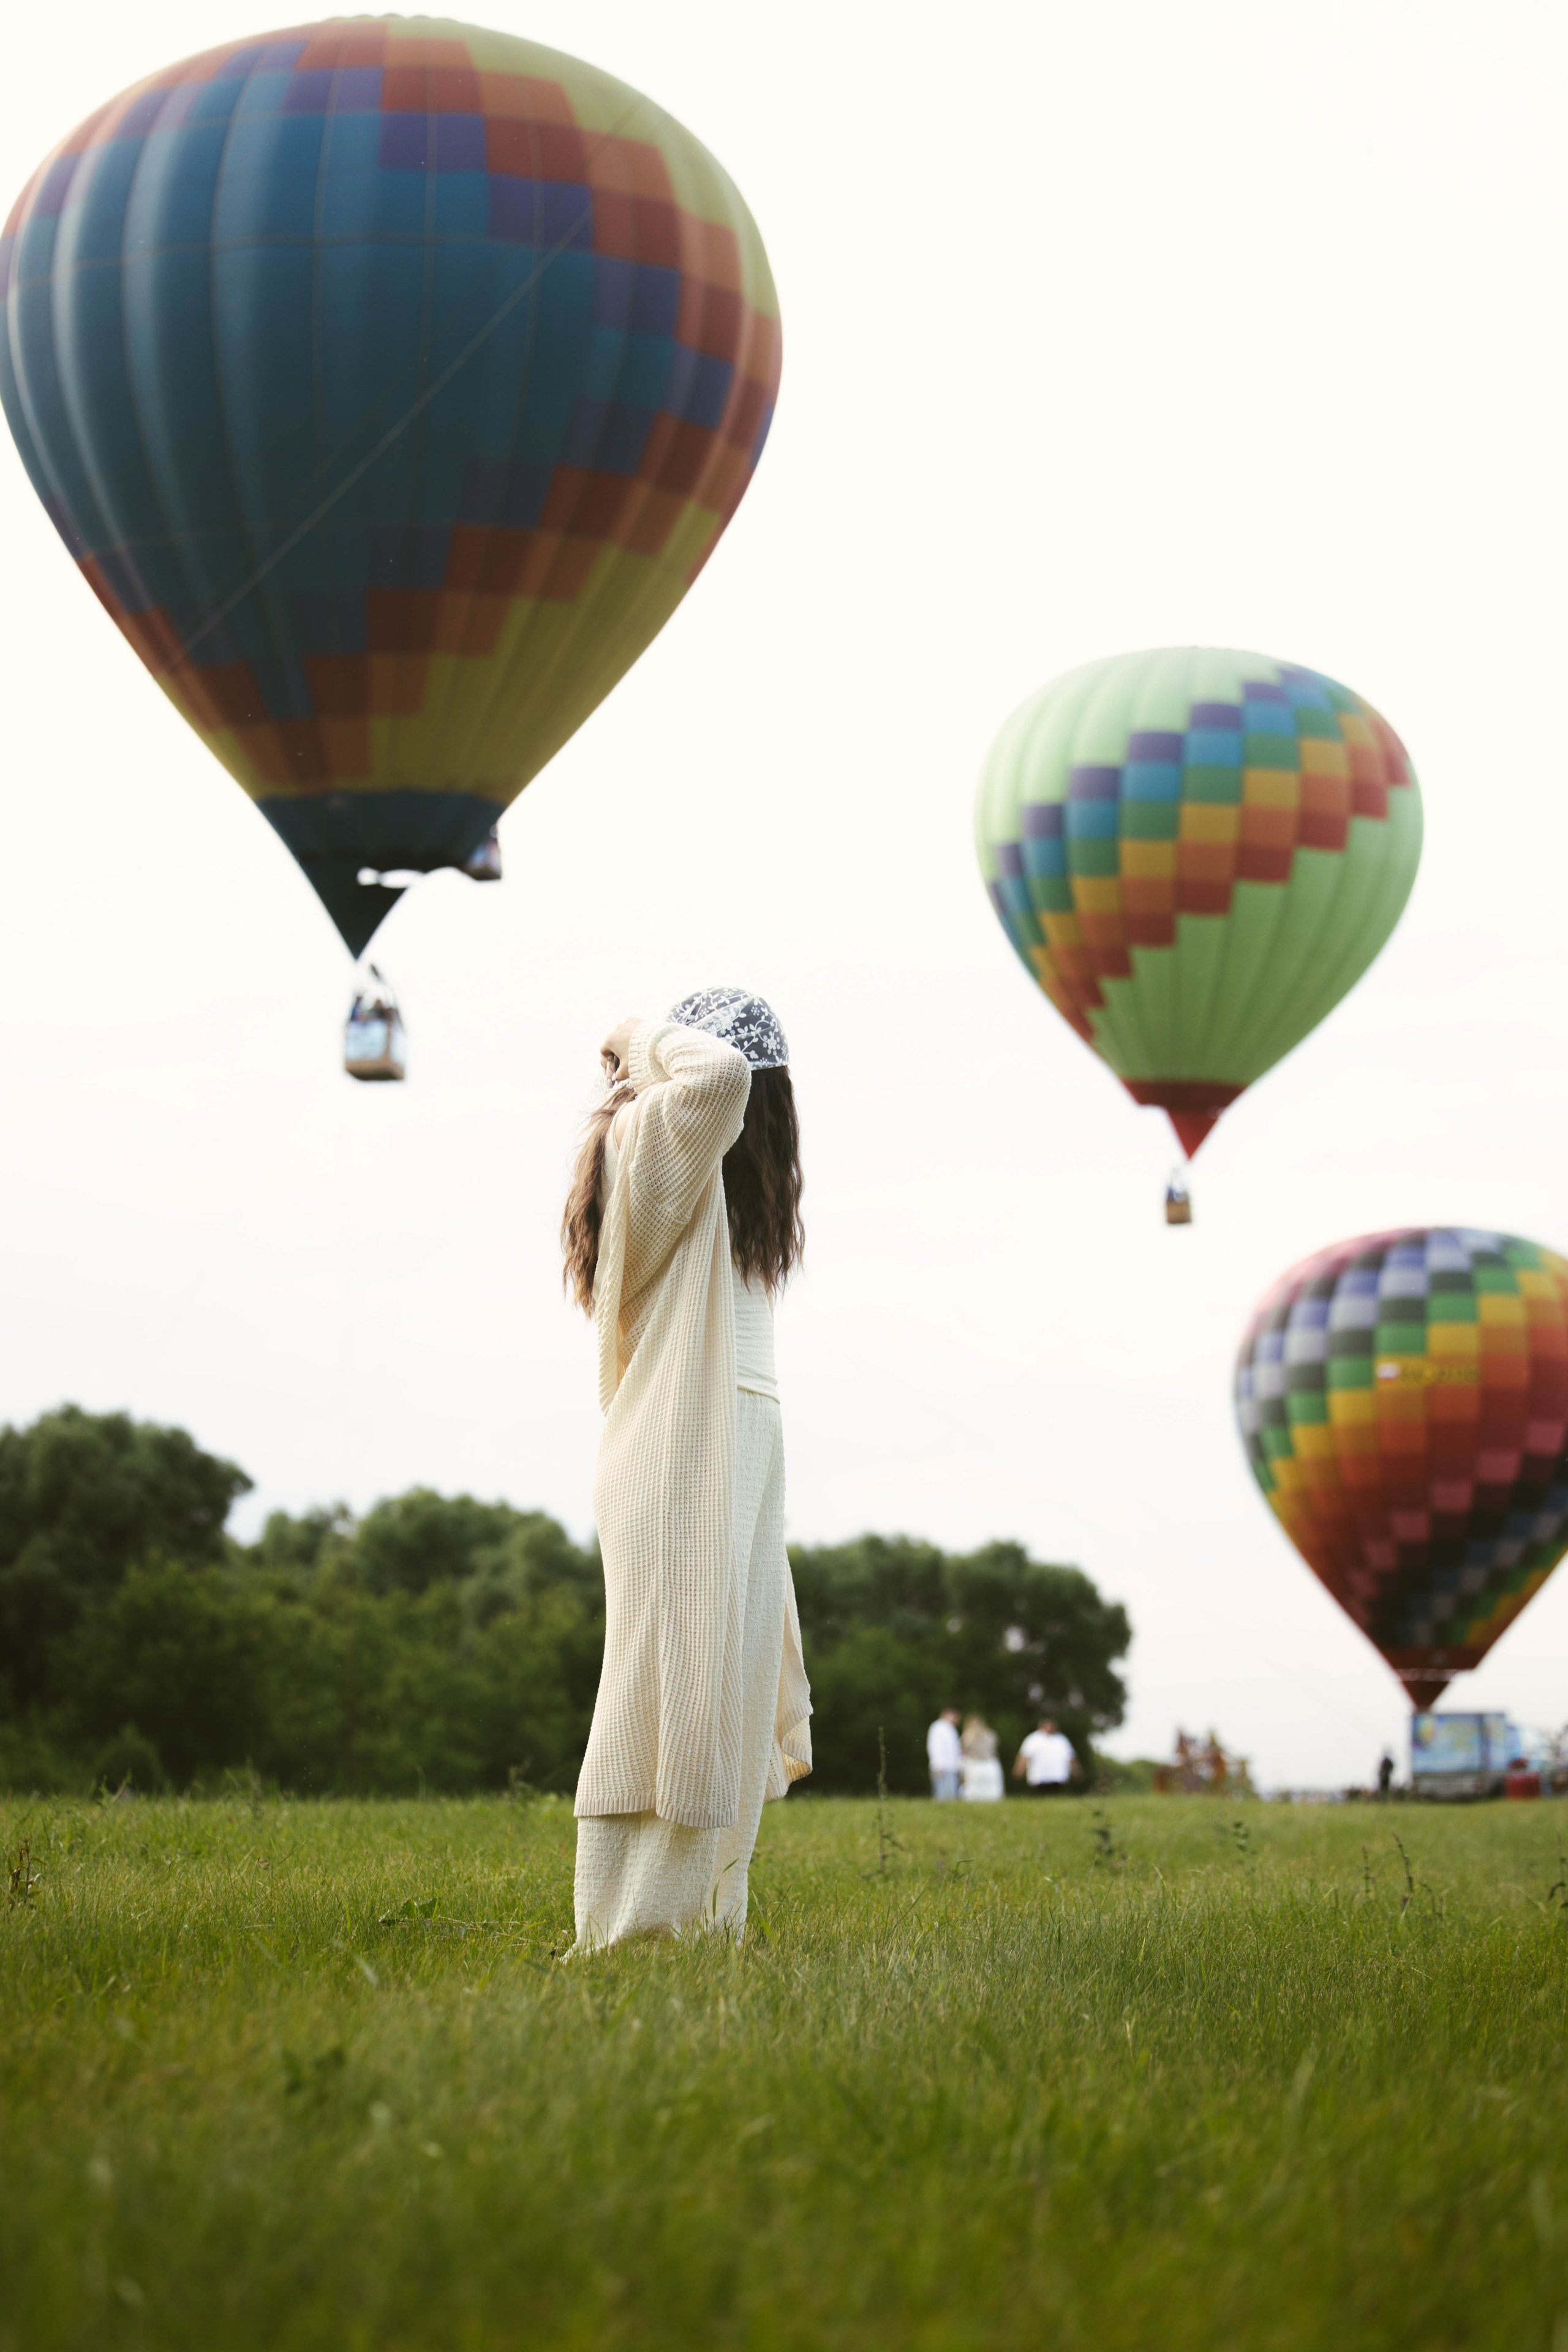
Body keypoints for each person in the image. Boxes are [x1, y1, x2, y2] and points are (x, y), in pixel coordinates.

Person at [562, 989, 812, 1949]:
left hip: (739, 1440)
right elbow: (722, 1075)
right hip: (678, 1450)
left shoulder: (723, 1188)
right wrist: (633, 1036)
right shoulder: (656, 1141)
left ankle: (710, 1930)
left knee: (736, 1695)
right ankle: (627, 1934)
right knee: (669, 1693)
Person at [1012, 1716, 1080, 1794]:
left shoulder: (1062, 1739)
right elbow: (1025, 1756)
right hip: (1039, 1776)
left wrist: (1076, 1771)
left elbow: (1070, 1757)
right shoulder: (1033, 1739)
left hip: (1058, 1776)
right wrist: (1019, 1769)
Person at [960, 1714, 1005, 1802]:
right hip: (991, 1765)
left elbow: (963, 1754)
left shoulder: (967, 1737)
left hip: (975, 1765)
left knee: (975, 1789)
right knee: (992, 1789)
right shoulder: (991, 1735)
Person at [927, 1707, 963, 1800]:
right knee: (943, 1793)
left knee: (951, 1793)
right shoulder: (939, 1727)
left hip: (951, 1767)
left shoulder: (950, 1728)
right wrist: (938, 1765)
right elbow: (935, 1747)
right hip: (943, 1767)